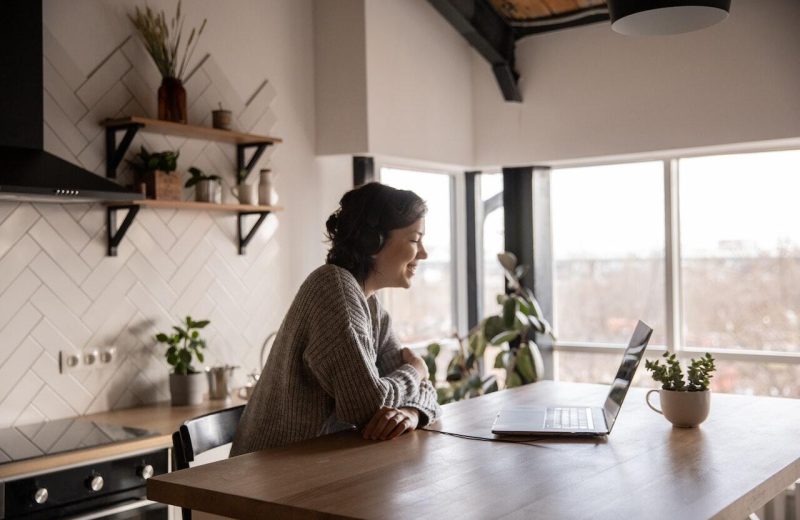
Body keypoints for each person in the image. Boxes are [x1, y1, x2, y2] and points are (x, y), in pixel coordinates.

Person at [231, 182, 442, 455]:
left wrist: (412, 413)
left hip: (309, 469)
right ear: (373, 241)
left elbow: (424, 393)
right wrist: (416, 371)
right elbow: (368, 407)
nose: (423, 253)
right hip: (263, 479)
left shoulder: (372, 306)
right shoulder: (333, 289)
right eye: (414, 240)